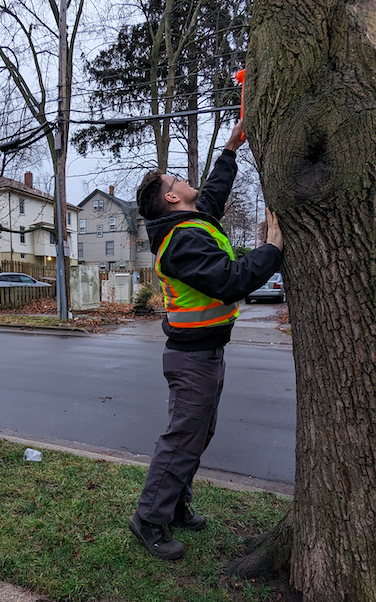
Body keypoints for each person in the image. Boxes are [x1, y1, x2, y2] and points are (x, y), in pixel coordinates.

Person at [129, 121, 284, 560]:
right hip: (191, 359)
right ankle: (149, 520)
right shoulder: (180, 242)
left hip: (205, 354)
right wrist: (271, 250)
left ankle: (175, 505)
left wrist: (231, 148)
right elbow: (230, 280)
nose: (185, 180)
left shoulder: (192, 222)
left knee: (199, 434)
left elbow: (212, 194)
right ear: (172, 198)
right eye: (177, 180)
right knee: (183, 438)